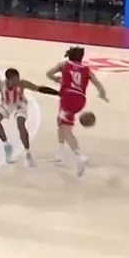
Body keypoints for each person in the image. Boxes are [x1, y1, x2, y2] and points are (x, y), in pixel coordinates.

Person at [44, 46, 108, 177]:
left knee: (66, 129)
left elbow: (48, 73)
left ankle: (79, 156)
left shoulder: (64, 65)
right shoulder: (86, 69)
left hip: (67, 97)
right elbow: (98, 84)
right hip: (80, 100)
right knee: (60, 121)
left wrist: (57, 79)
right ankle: (60, 152)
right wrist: (102, 95)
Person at [0, 68, 60, 166]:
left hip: (19, 105)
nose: (17, 81)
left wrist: (58, 93)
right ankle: (6, 145)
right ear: (8, 80)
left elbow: (39, 88)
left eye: (18, 79)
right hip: (6, 104)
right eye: (15, 80)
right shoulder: (0, 84)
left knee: (21, 124)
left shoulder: (22, 84)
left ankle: (27, 152)